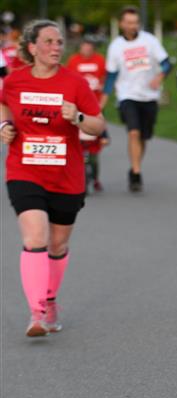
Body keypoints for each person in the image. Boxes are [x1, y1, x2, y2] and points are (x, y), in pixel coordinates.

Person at [1, 19, 105, 337]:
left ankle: (49, 300)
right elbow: (3, 104)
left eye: (59, 42)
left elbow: (98, 125)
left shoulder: (75, 83)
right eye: (48, 41)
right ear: (32, 47)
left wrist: (80, 117)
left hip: (66, 174)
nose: (56, 47)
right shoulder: (15, 81)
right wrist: (3, 126)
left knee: (57, 244)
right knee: (36, 238)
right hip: (25, 169)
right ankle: (36, 314)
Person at [100, 5, 171, 192]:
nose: (133, 26)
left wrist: (159, 77)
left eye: (136, 22)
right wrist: (103, 101)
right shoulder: (116, 46)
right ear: (121, 24)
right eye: (129, 22)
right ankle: (137, 173)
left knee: (143, 138)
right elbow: (111, 76)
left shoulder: (150, 41)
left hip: (149, 96)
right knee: (133, 132)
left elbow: (166, 63)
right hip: (127, 95)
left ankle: (134, 167)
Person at [67, 35, 109, 192]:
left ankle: (95, 178)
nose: (87, 49)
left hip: (95, 104)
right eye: (84, 46)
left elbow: (105, 79)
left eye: (90, 47)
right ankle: (77, 176)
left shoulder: (100, 60)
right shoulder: (73, 60)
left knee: (94, 150)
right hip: (78, 106)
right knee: (77, 144)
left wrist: (103, 98)